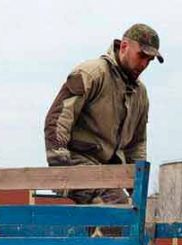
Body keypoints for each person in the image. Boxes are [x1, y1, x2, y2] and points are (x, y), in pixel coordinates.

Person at [44, 23, 161, 205]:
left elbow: (137, 143)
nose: (144, 64)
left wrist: (136, 186)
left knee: (130, 214)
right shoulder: (92, 74)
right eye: (142, 56)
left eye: (150, 61)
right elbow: (58, 118)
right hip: (77, 162)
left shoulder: (140, 94)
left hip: (107, 171)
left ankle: (95, 233)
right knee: (117, 208)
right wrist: (60, 169)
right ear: (124, 46)